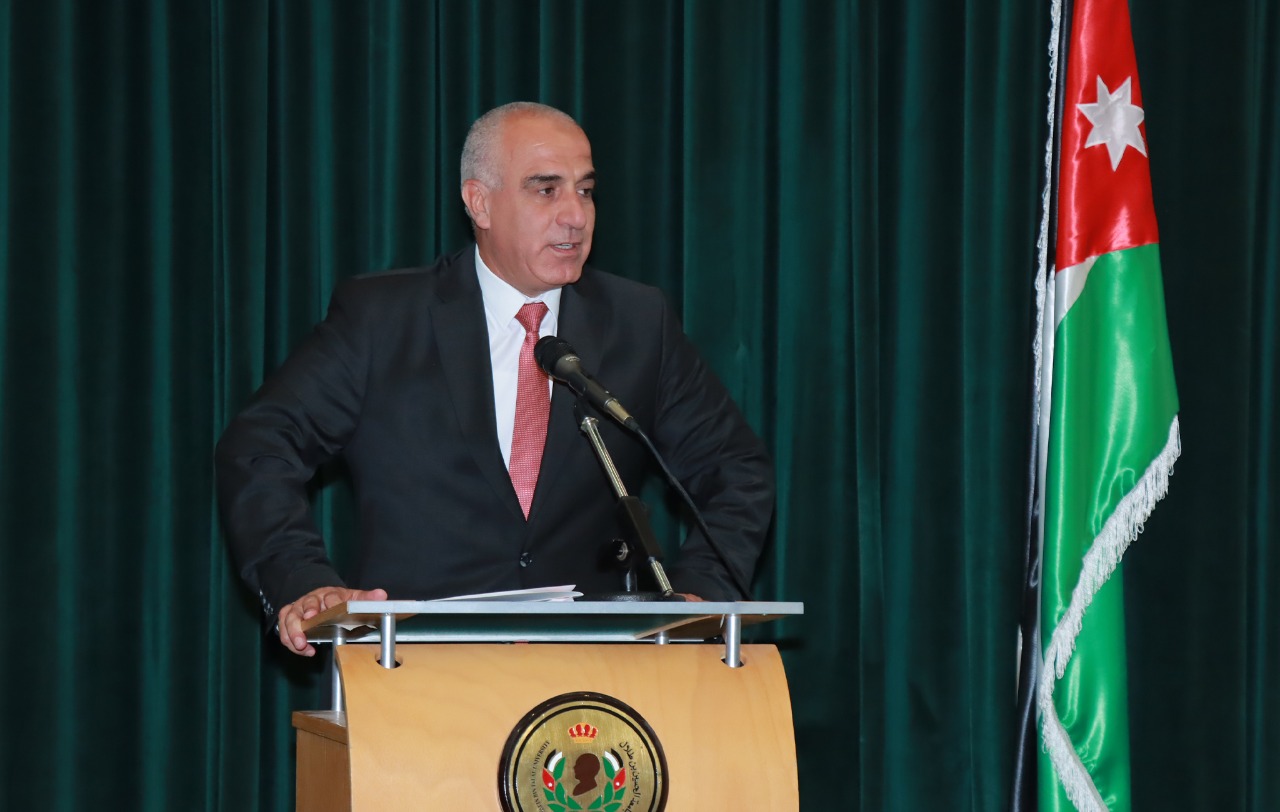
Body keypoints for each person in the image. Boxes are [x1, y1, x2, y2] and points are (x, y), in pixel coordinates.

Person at [215, 102, 774, 657]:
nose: (576, 215)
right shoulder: (382, 320)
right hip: (411, 670)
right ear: (479, 202)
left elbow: (736, 469)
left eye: (585, 190)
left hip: (587, 680)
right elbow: (260, 446)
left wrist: (700, 595)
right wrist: (302, 579)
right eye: (546, 190)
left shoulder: (637, 323)